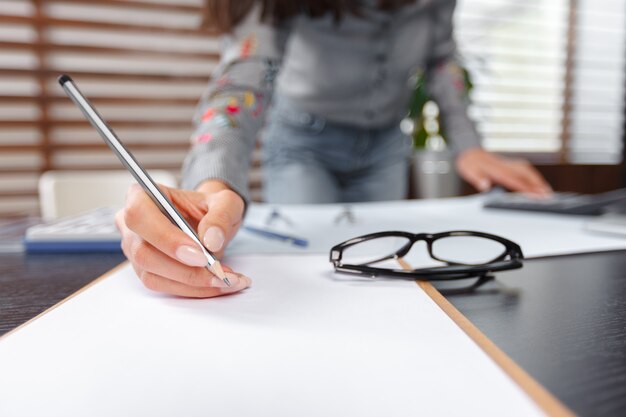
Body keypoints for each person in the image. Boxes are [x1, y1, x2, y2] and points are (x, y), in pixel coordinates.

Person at [115, 0, 552, 298]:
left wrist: (468, 146)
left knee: (382, 270)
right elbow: (247, 69)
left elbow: (441, 58)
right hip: (304, 141)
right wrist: (212, 182)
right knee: (312, 267)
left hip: (386, 144)